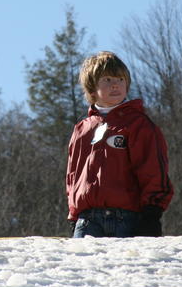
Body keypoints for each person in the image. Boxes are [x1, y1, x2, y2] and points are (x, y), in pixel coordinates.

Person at [66, 51, 173, 238]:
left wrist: (152, 213)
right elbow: (73, 176)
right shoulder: (81, 130)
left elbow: (153, 169)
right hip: (87, 221)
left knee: (124, 268)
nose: (115, 84)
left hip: (126, 218)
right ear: (92, 89)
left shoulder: (138, 124)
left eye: (120, 79)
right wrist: (74, 215)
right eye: (107, 79)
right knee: (83, 267)